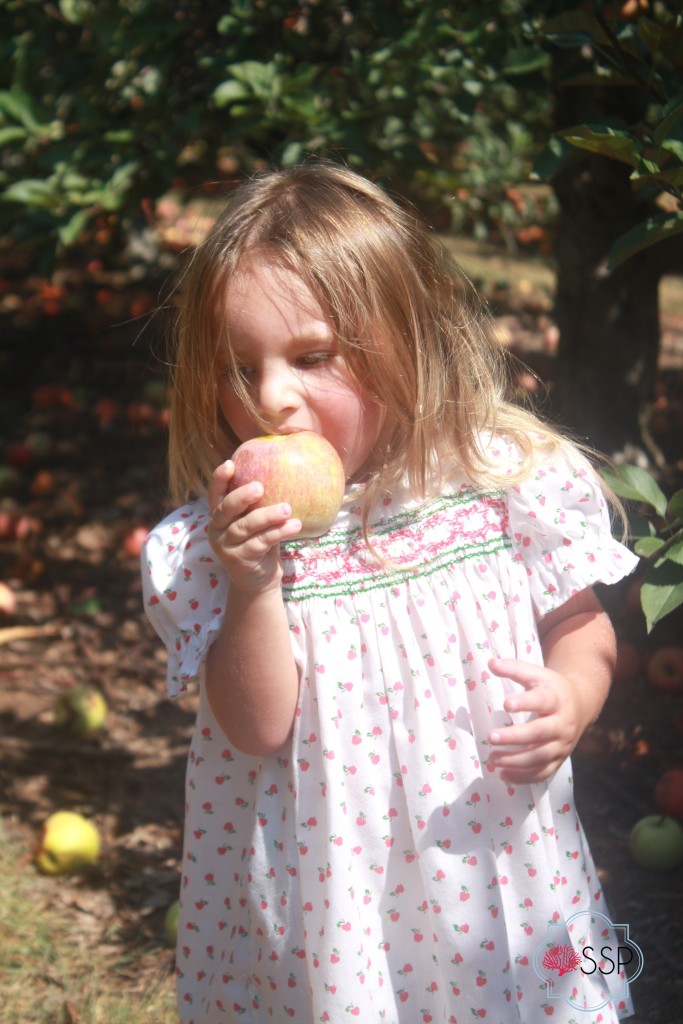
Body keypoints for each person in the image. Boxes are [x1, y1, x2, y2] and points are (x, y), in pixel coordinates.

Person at [141, 162, 639, 1024]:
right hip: (328, 892)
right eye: (237, 366)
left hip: (495, 863)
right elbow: (256, 727)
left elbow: (578, 622)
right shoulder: (215, 546)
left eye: (311, 357)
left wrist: (574, 693)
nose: (270, 400)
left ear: (404, 341)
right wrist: (251, 586)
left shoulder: (504, 483)